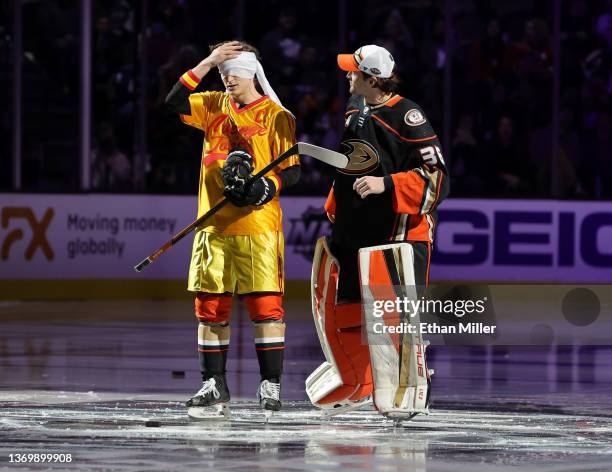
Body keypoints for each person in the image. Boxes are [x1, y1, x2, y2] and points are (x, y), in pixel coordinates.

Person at [307, 45, 449, 420]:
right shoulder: (357, 107)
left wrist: (386, 184)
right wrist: (337, 203)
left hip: (398, 237)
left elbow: (438, 180)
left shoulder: (409, 116)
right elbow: (355, 160)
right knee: (349, 306)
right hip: (357, 233)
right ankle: (359, 380)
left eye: (353, 72)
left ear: (372, 79)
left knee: (396, 315)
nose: (347, 76)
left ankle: (411, 383)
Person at [164, 40, 300, 418]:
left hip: (257, 226)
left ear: (250, 72)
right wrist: (206, 62)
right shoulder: (213, 105)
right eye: (222, 74)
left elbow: (293, 170)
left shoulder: (276, 116)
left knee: (266, 307)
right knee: (210, 307)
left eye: (231, 74)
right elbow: (174, 102)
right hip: (212, 225)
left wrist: (264, 188)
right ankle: (214, 384)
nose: (227, 81)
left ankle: (270, 384)